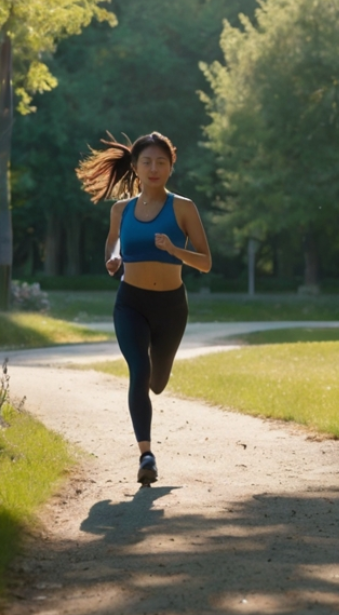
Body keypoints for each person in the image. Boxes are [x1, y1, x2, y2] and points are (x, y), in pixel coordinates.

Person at [76, 132, 211, 486]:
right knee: (139, 370)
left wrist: (174, 250)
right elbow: (112, 244)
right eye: (147, 162)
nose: (154, 168)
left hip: (170, 306)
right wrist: (112, 259)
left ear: (171, 167)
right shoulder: (120, 210)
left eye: (161, 162)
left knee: (158, 380)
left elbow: (206, 262)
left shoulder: (183, 207)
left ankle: (157, 374)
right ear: (135, 167)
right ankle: (146, 455)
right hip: (130, 303)